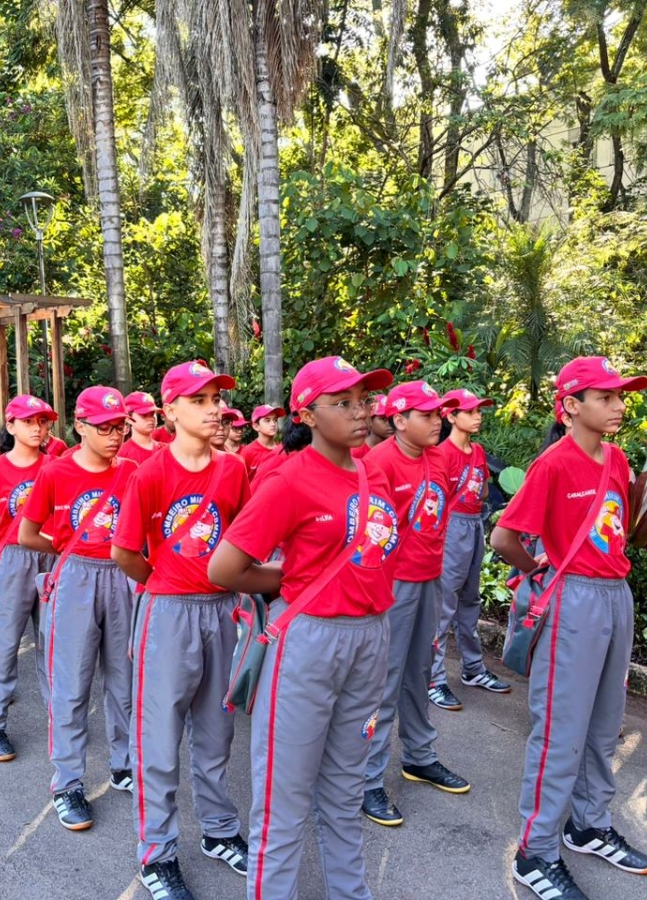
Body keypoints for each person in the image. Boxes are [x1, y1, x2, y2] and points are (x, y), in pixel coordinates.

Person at [208, 355, 397, 900]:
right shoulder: (289, 479)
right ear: (307, 415)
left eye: (363, 401)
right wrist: (290, 578)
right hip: (309, 641)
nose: (359, 412)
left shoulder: (374, 471)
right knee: (284, 797)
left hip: (370, 638)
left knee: (345, 789)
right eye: (342, 403)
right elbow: (224, 568)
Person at [491, 357, 647, 900]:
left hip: (615, 595)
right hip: (574, 600)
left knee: (605, 723)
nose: (618, 405)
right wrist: (539, 569)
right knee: (560, 732)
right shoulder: (553, 464)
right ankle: (535, 852)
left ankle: (589, 824)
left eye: (620, 395)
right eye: (605, 397)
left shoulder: (617, 458)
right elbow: (503, 538)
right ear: (570, 406)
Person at [112, 361, 250, 899]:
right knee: (159, 736)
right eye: (199, 400)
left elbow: (241, 538)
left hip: (221, 609)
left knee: (217, 730)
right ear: (169, 410)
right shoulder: (149, 474)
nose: (214, 409)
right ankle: (158, 853)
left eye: (216, 398)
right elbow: (125, 551)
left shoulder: (234, 469)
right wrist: (162, 582)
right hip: (167, 611)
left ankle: (218, 830)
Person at [18, 386, 139, 831]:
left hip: (122, 576)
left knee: (124, 679)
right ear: (81, 427)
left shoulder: (132, 472)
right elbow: (28, 533)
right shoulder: (56, 472)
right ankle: (67, 782)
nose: (114, 436)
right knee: (71, 685)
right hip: (75, 578)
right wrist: (69, 550)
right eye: (104, 428)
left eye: (120, 427)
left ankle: (124, 763)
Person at [361, 380, 470, 829]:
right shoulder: (378, 463)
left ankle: (419, 757)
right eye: (426, 415)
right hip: (393, 586)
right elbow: (370, 535)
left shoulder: (439, 457)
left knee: (420, 673)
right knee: (382, 682)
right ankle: (366, 779)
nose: (436, 421)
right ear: (399, 420)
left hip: (430, 580)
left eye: (437, 414)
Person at [0, 395, 58, 761]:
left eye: (43, 421)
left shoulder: (56, 467)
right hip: (11, 559)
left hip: (53, 556)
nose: (38, 428)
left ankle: (61, 719)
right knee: (3, 643)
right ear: (10, 426)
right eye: (28, 422)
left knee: (54, 643)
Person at [428, 388, 512, 710]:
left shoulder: (477, 451)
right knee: (444, 605)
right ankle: (434, 678)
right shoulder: (440, 454)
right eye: (470, 411)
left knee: (470, 600)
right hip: (451, 528)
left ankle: (473, 668)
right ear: (451, 416)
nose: (478, 416)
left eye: (479, 411)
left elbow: (484, 490)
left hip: (474, 524)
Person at [239, 405, 283, 479]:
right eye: (267, 420)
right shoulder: (247, 452)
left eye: (275, 420)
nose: (273, 424)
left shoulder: (282, 449)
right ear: (256, 426)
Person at [120, 391, 162, 465]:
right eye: (144, 415)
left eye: (152, 413)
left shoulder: (168, 450)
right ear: (129, 419)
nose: (151, 419)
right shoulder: (121, 454)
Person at [352, 394, 391, 459]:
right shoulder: (356, 451)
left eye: (391, 418)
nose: (390, 423)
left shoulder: (396, 447)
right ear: (369, 420)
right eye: (383, 419)